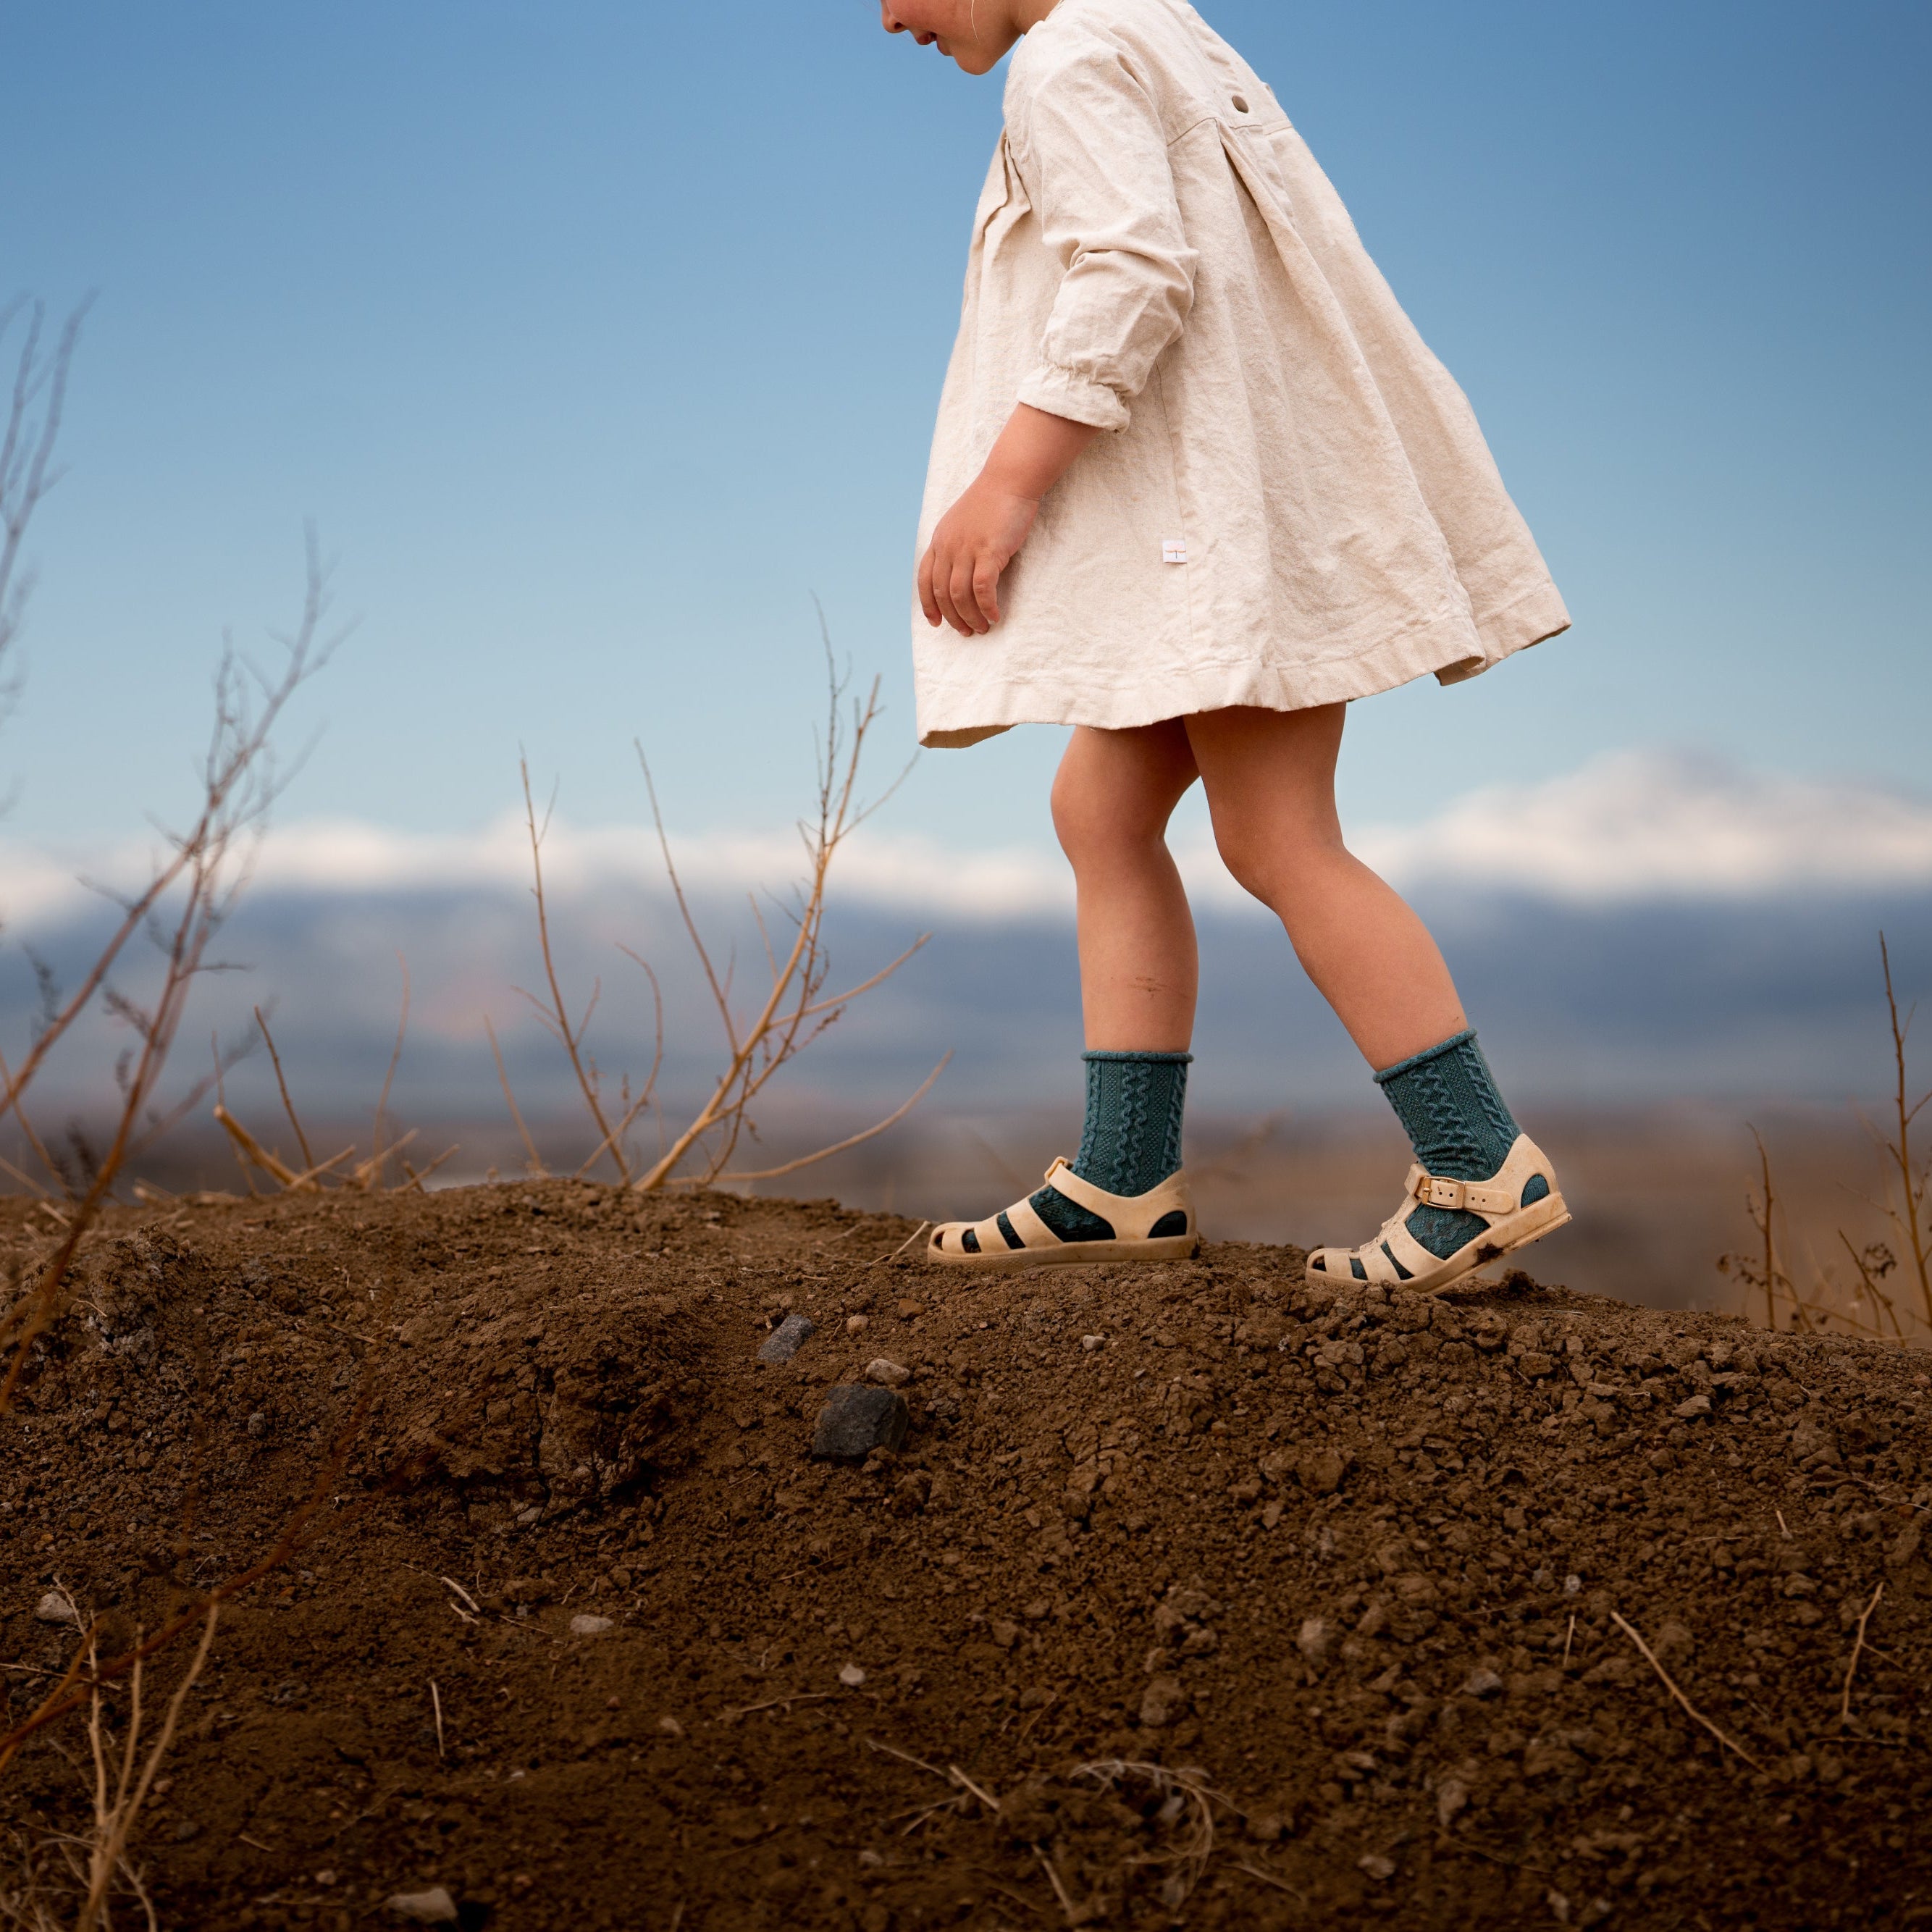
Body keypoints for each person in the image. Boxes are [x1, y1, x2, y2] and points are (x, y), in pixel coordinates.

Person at [885, 0, 1572, 1292]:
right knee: (1100, 810)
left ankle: (1481, 1164)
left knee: (1278, 836)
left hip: (1213, 540)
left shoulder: (1070, 57)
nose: (887, 19)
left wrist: (1008, 485)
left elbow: (1133, 266)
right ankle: (1123, 1178)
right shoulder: (1156, 30)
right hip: (1214, 531)